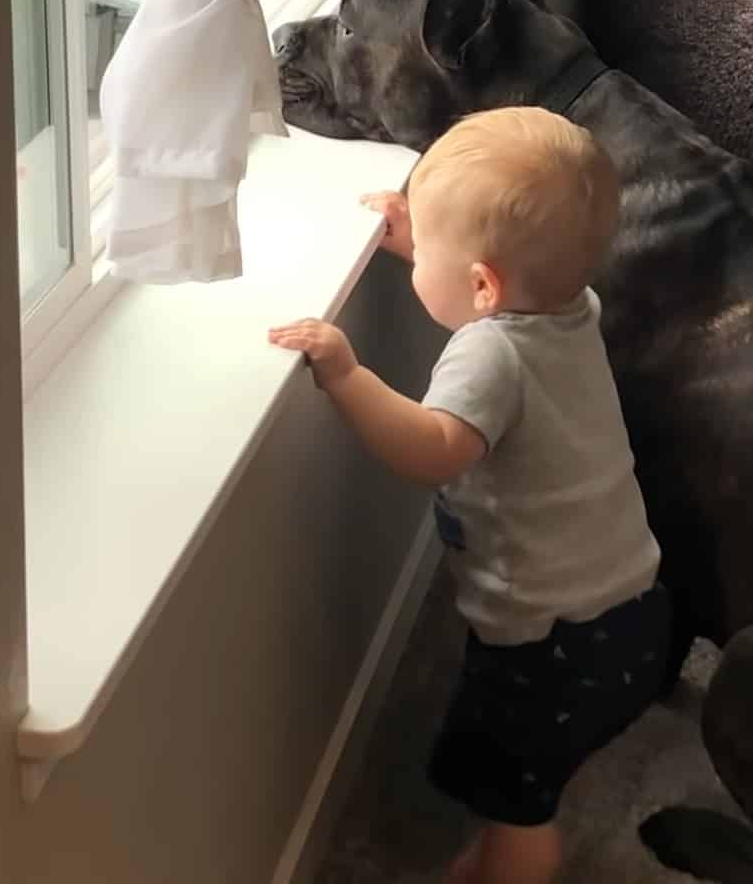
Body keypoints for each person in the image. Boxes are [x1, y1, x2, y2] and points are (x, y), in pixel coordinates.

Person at [268, 106, 668, 884]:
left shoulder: (490, 356)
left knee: (520, 805)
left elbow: (433, 450)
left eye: (431, 253)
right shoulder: (569, 306)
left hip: (555, 639)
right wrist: (425, 241)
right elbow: (490, 275)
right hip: (629, 603)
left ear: (482, 285)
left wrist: (347, 375)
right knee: (508, 784)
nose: (417, 258)